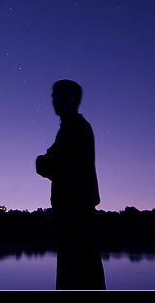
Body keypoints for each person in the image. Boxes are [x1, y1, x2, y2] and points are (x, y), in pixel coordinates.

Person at [36, 79, 106, 290]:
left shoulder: (75, 129)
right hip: (75, 217)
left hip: (77, 218)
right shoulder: (70, 129)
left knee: (78, 279)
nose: (55, 100)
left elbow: (51, 164)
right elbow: (54, 163)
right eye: (54, 96)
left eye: (61, 95)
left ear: (76, 99)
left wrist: (43, 161)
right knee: (85, 278)